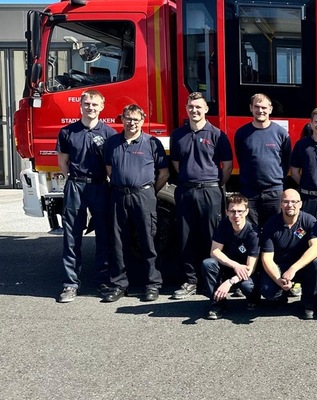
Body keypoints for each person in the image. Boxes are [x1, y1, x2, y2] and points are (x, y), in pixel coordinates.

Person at [170, 92, 233, 299]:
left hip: (210, 191)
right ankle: (190, 280)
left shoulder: (217, 134)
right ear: (186, 108)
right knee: (186, 237)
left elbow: (227, 166)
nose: (194, 110)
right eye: (190, 107)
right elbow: (177, 165)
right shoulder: (177, 135)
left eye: (198, 107)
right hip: (186, 190)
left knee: (212, 237)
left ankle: (213, 280)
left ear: (206, 109)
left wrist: (214, 185)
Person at [102, 104, 169, 302]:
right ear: (122, 119)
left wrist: (149, 192)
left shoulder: (151, 143)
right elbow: (109, 169)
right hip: (118, 196)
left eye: (136, 119)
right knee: (118, 242)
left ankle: (152, 285)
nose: (132, 123)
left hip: (143, 196)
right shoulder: (111, 143)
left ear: (143, 120)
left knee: (149, 241)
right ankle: (119, 284)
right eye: (128, 119)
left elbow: (163, 173)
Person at [55, 90, 116, 303]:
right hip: (75, 187)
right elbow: (63, 162)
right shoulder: (67, 132)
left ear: (102, 106)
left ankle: (102, 281)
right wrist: (72, 179)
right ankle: (71, 284)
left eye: (95, 104)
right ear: (81, 106)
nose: (91, 108)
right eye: (87, 104)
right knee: (72, 237)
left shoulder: (109, 134)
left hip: (100, 187)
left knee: (104, 236)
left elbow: (110, 166)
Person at [259, 189, 317, 319]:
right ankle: (281, 296)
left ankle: (309, 303)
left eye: (294, 202)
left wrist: (293, 269)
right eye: (286, 202)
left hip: (302, 267)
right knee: (269, 292)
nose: (290, 205)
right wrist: (279, 280)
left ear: (300, 204)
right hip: (280, 268)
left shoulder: (309, 221)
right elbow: (266, 258)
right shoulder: (271, 225)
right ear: (280, 204)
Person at [234, 93, 291, 227]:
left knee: (275, 228)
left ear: (270, 109)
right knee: (250, 230)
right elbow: (240, 157)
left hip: (274, 192)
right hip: (249, 192)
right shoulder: (242, 133)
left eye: (264, 108)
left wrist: (276, 179)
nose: (260, 111)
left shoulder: (281, 133)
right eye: (257, 107)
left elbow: (286, 160)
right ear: (251, 108)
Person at [201, 194, 259, 319]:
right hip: (229, 267)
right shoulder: (223, 225)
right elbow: (214, 251)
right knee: (208, 263)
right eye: (232, 211)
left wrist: (229, 282)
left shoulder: (253, 233)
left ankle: (254, 299)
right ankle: (217, 304)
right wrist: (235, 265)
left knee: (248, 286)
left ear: (247, 211)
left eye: (240, 211)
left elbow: (250, 268)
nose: (236, 215)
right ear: (227, 212)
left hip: (246, 274)